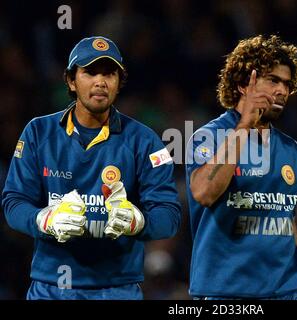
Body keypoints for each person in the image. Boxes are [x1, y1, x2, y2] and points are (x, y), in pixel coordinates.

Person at [1, 36, 181, 300]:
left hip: (118, 290)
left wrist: (138, 221)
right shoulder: (38, 132)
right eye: (90, 72)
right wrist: (44, 220)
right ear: (71, 81)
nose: (100, 82)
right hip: (51, 289)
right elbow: (13, 203)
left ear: (120, 83)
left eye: (110, 74)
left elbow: (169, 216)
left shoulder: (145, 141)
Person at [185, 34, 297, 299]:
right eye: (272, 80)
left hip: (287, 291)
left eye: (287, 84)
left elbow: (286, 217)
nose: (282, 91)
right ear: (243, 84)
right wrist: (244, 126)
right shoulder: (209, 137)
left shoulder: (290, 148)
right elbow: (204, 192)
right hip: (227, 292)